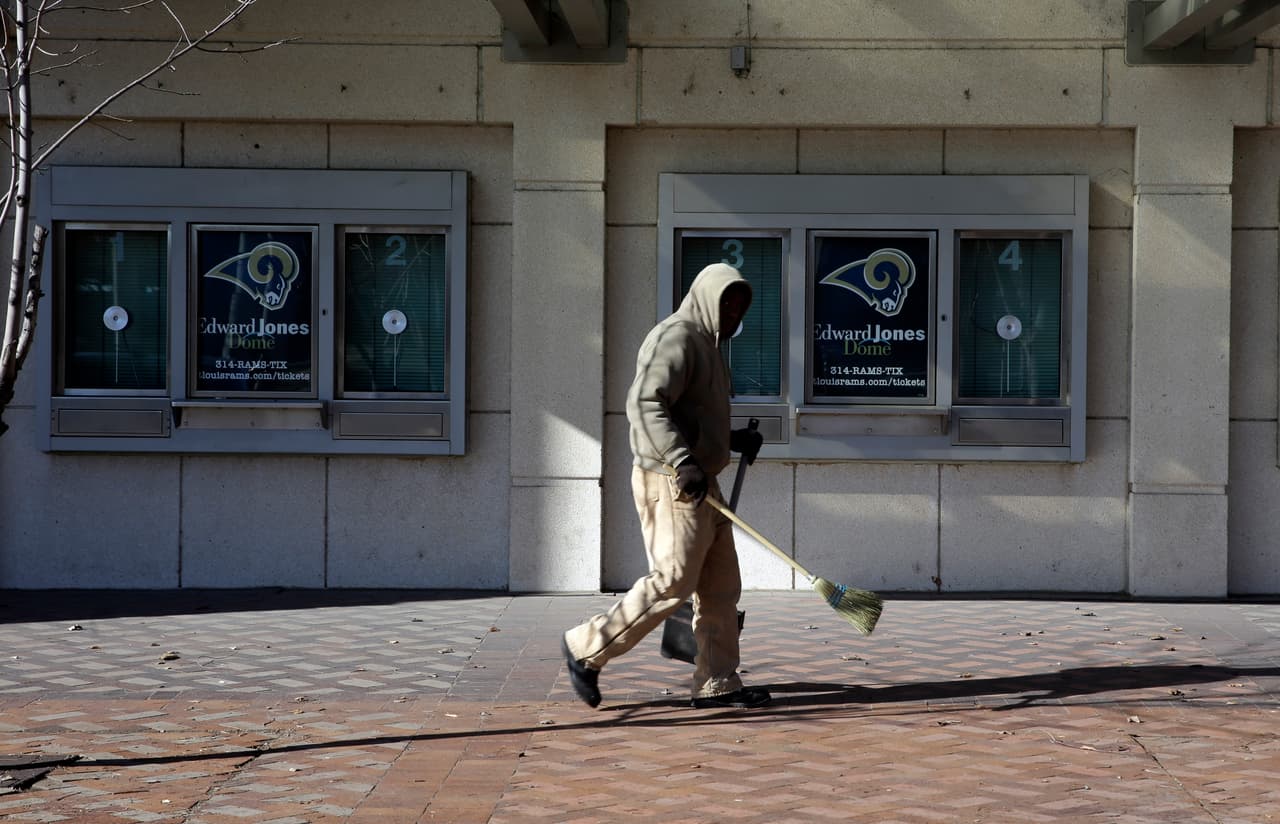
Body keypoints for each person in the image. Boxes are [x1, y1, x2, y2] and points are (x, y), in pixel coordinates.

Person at [561, 262, 767, 709]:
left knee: (719, 587)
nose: (733, 314)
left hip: (701, 482)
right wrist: (682, 461)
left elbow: (688, 416)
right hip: (672, 482)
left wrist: (730, 440)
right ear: (708, 298)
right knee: (673, 580)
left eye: (739, 308)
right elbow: (644, 404)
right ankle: (586, 647)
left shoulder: (708, 345)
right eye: (727, 304)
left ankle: (717, 682)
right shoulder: (676, 338)